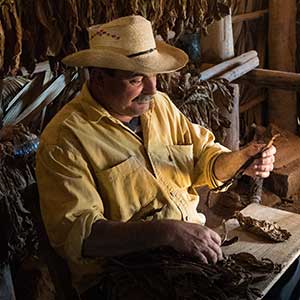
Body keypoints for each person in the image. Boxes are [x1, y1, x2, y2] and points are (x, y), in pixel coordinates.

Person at [35, 15, 294, 299]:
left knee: (290, 271)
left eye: (153, 76)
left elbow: (202, 158)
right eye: (136, 79)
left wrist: (241, 160)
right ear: (98, 78)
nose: (152, 90)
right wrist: (166, 232)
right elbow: (80, 236)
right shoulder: (64, 139)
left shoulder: (160, 108)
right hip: (123, 278)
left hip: (190, 254)